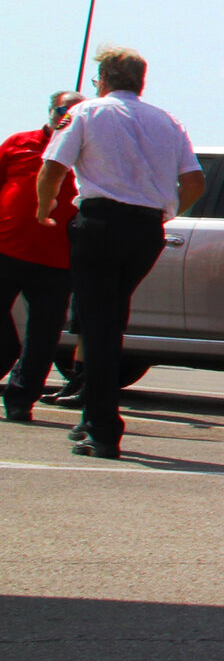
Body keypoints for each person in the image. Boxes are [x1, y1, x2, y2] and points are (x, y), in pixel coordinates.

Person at [33, 49, 203, 458]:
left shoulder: (88, 113)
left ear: (104, 78)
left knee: (98, 326)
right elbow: (194, 182)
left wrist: (43, 210)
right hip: (146, 230)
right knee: (110, 320)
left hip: (101, 225)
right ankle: (93, 418)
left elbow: (53, 167)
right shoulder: (168, 121)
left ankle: (104, 427)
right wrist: (164, 213)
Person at [1, 92, 81, 422]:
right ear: (51, 111)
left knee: (44, 333)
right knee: (7, 342)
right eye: (63, 110)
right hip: (6, 250)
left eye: (76, 112)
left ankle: (22, 397)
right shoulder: (20, 143)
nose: (68, 116)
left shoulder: (86, 154)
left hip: (56, 260)